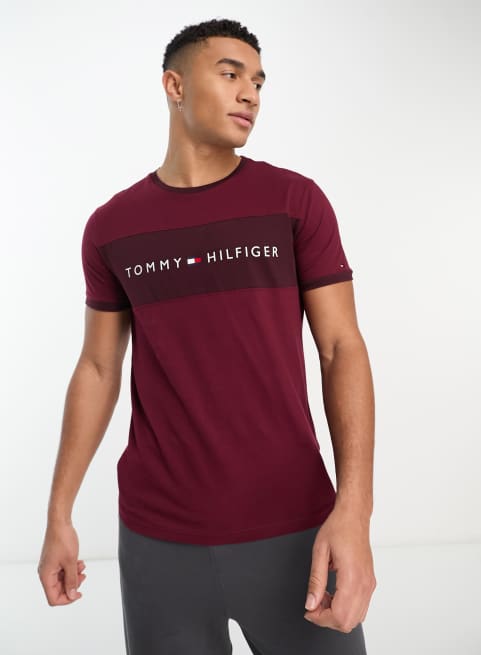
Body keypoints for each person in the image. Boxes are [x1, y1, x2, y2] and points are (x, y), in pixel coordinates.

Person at [38, 17, 376, 654]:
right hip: (159, 540)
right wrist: (59, 514)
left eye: (258, 82)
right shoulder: (112, 227)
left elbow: (341, 349)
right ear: (174, 85)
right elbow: (98, 368)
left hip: (293, 527)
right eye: (230, 74)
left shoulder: (293, 201)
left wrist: (354, 513)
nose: (250, 93)